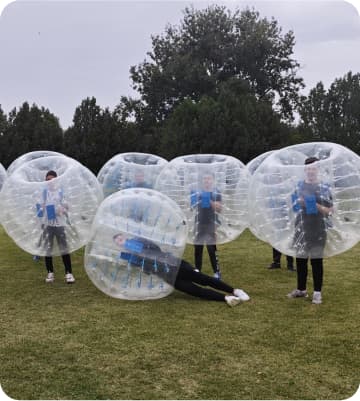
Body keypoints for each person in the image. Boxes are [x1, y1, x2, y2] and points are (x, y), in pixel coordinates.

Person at [113, 233, 250, 307]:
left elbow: (156, 249)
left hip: (175, 265)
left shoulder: (139, 241)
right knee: (196, 291)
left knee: (204, 279)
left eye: (121, 238)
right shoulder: (128, 256)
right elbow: (144, 268)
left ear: (125, 237)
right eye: (118, 242)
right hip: (167, 276)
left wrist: (136, 247)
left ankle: (235, 290)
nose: (121, 241)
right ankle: (227, 298)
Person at [287, 157, 333, 304]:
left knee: (316, 261)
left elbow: (330, 211)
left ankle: (317, 293)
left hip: (318, 228)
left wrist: (316, 206)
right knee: (300, 260)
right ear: (305, 170)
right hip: (301, 227)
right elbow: (293, 207)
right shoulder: (299, 186)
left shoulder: (324, 188)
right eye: (308, 168)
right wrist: (298, 203)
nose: (311, 171)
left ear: (317, 169)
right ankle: (301, 289)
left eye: (314, 168)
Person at [37, 170, 75, 284]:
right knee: (48, 249)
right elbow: (38, 211)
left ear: (56, 180)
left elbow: (67, 206)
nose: (50, 181)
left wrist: (61, 209)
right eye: (47, 179)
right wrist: (42, 207)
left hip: (59, 225)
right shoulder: (43, 193)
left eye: (52, 179)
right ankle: (50, 272)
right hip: (47, 225)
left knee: (64, 248)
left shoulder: (61, 192)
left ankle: (68, 273)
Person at [191, 172, 222, 279]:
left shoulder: (216, 192)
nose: (207, 180)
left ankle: (216, 271)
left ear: (213, 180)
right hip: (199, 222)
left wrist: (209, 200)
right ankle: (197, 270)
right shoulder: (197, 192)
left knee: (211, 248)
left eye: (209, 178)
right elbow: (192, 207)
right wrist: (196, 199)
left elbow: (219, 208)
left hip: (211, 223)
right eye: (205, 178)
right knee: (198, 248)